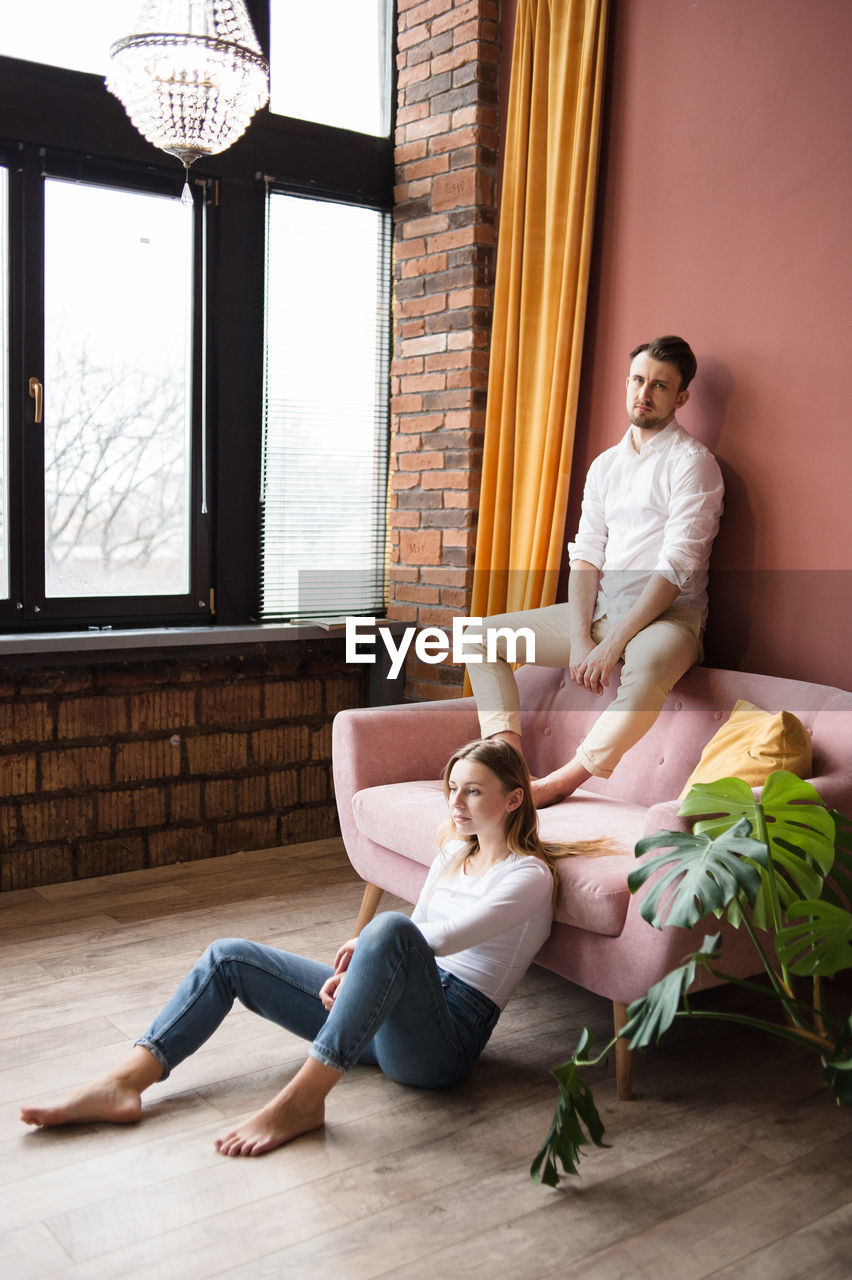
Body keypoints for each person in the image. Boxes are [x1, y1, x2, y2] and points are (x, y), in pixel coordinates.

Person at [20, 740, 595, 1158]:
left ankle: (303, 1101)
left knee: (390, 929)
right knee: (228, 956)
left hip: (444, 1045)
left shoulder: (530, 877)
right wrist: (364, 976)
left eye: (473, 791)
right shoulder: (453, 851)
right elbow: (418, 930)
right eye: (452, 789)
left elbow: (439, 938)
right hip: (396, 1007)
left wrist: (373, 948)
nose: (456, 802)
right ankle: (124, 1082)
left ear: (515, 798)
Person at [465, 335, 724, 807]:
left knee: (644, 673)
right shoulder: (605, 466)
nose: (645, 393)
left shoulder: (694, 465)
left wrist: (612, 644)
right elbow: (586, 554)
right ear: (627, 383)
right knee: (478, 637)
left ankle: (559, 783)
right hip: (602, 608)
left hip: (669, 616)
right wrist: (583, 636)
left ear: (681, 397)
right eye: (639, 380)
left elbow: (676, 568)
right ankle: (509, 763)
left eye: (661, 386)